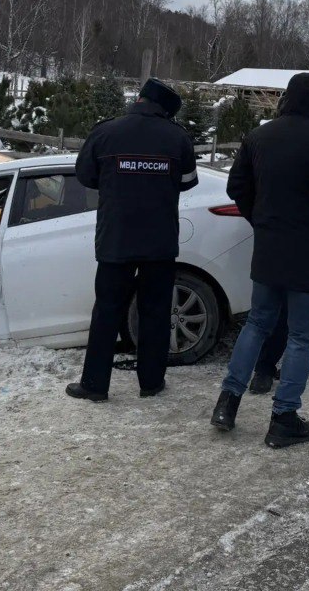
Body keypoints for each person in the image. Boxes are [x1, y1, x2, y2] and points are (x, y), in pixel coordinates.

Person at [210, 73, 309, 448]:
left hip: (270, 246)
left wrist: (262, 219)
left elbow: (236, 186)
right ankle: (283, 417)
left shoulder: (259, 137)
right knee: (301, 337)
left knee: (256, 324)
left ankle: (227, 403)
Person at [65, 79, 198, 402]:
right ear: (166, 110)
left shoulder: (106, 132)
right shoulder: (177, 137)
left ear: (139, 99)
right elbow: (188, 182)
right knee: (155, 311)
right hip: (159, 242)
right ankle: (151, 382)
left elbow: (85, 175)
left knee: (107, 310)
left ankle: (95, 385)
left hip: (116, 240)